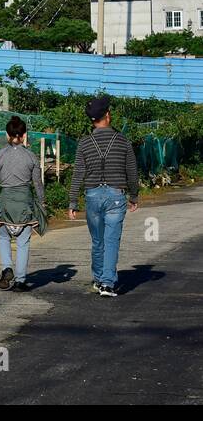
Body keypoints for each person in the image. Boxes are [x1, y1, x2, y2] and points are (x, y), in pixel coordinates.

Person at [68, 95, 140, 297]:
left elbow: (78, 174)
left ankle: (99, 279)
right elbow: (132, 171)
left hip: (92, 195)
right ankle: (107, 284)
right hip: (116, 196)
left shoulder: (84, 143)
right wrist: (134, 195)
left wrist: (73, 201)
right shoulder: (122, 141)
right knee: (111, 240)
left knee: (97, 241)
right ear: (107, 115)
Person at [0, 116, 46, 292]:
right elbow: (37, 184)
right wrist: (42, 204)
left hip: (4, 203)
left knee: (4, 237)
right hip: (24, 204)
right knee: (23, 242)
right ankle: (20, 281)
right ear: (24, 135)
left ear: (7, 135)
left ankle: (7, 268)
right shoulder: (31, 157)